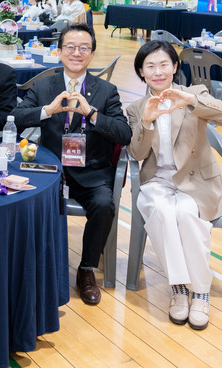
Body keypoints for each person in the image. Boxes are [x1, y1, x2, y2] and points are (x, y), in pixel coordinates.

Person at [11, 24, 132, 305]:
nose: (76, 53)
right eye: (70, 47)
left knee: (104, 205)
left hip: (91, 172)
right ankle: (35, 266)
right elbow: (16, 118)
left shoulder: (106, 91)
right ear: (59, 51)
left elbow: (124, 134)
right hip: (51, 172)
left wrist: (92, 114)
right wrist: (47, 111)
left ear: (92, 54)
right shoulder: (44, 86)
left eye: (83, 48)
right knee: (22, 201)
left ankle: (86, 269)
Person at [126, 40, 222, 330]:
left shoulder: (195, 93)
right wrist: (147, 122)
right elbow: (136, 154)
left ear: (175, 66)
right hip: (157, 181)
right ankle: (179, 288)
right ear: (141, 72)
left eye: (164, 64)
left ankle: (200, 292)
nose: (158, 72)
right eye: (150, 66)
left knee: (186, 214)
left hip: (195, 180)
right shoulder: (136, 108)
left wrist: (190, 101)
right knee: (163, 212)